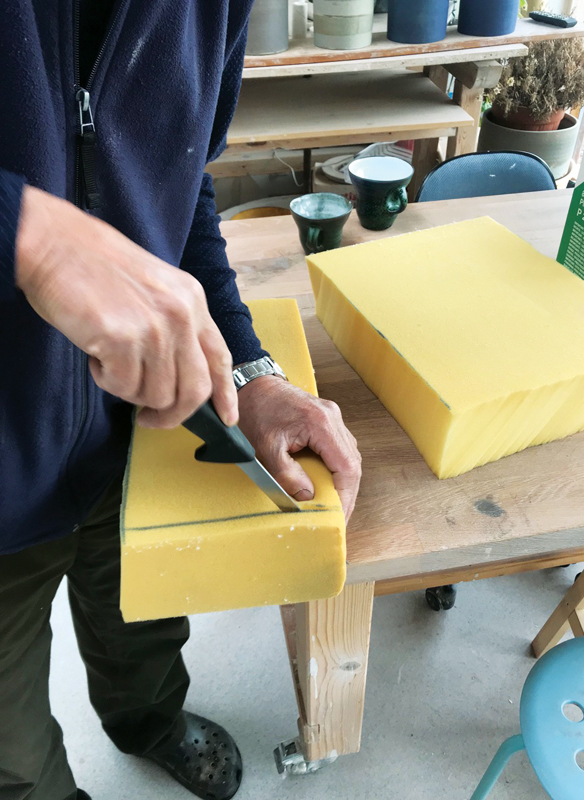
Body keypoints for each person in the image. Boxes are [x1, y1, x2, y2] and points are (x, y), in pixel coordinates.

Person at [0, 3, 362, 800]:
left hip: (129, 432)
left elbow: (179, 188)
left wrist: (250, 371)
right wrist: (24, 231)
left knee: (143, 615)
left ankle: (149, 720)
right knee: (13, 761)